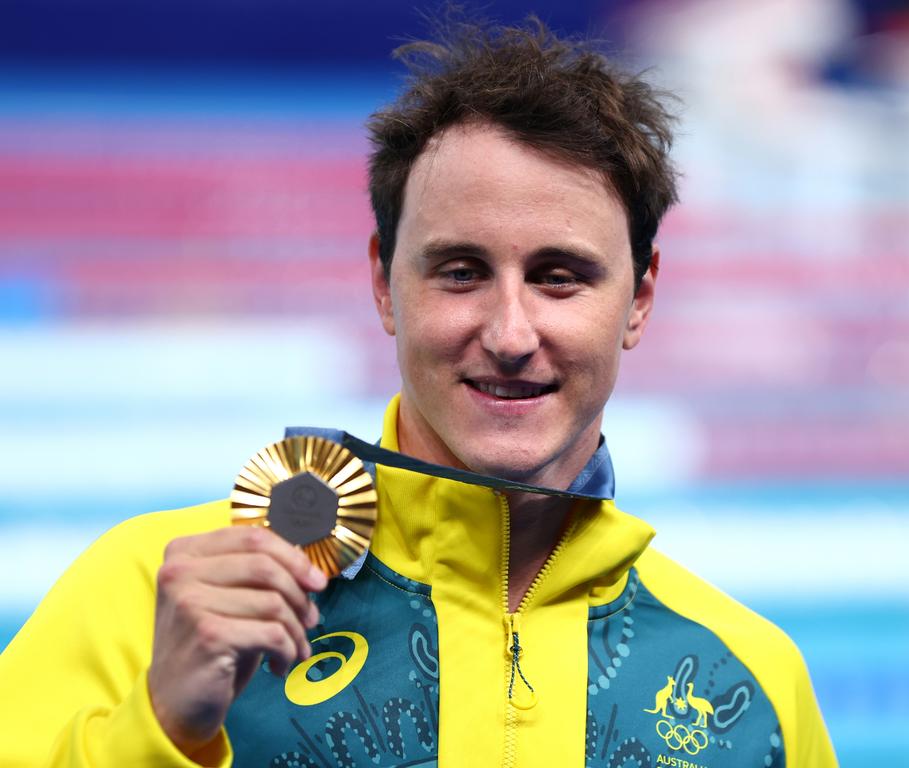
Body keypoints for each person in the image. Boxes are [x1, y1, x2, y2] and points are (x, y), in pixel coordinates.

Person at [0, 18, 838, 768]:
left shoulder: (749, 683)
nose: (511, 334)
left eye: (560, 277)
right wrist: (157, 735)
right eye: (462, 272)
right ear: (382, 281)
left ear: (639, 301)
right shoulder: (151, 596)